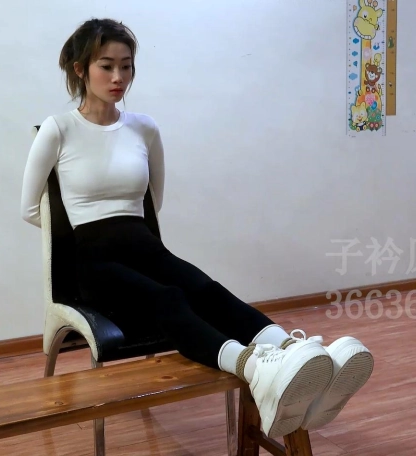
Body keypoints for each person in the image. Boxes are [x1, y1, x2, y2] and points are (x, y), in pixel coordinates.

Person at [20, 18, 374, 437]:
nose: (118, 78)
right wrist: (90, 232)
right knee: (167, 298)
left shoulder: (143, 128)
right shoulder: (58, 130)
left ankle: (296, 354)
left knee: (205, 289)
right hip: (93, 262)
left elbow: (153, 201)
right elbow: (30, 209)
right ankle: (256, 370)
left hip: (144, 247)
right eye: (106, 66)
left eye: (126, 66)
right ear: (80, 69)